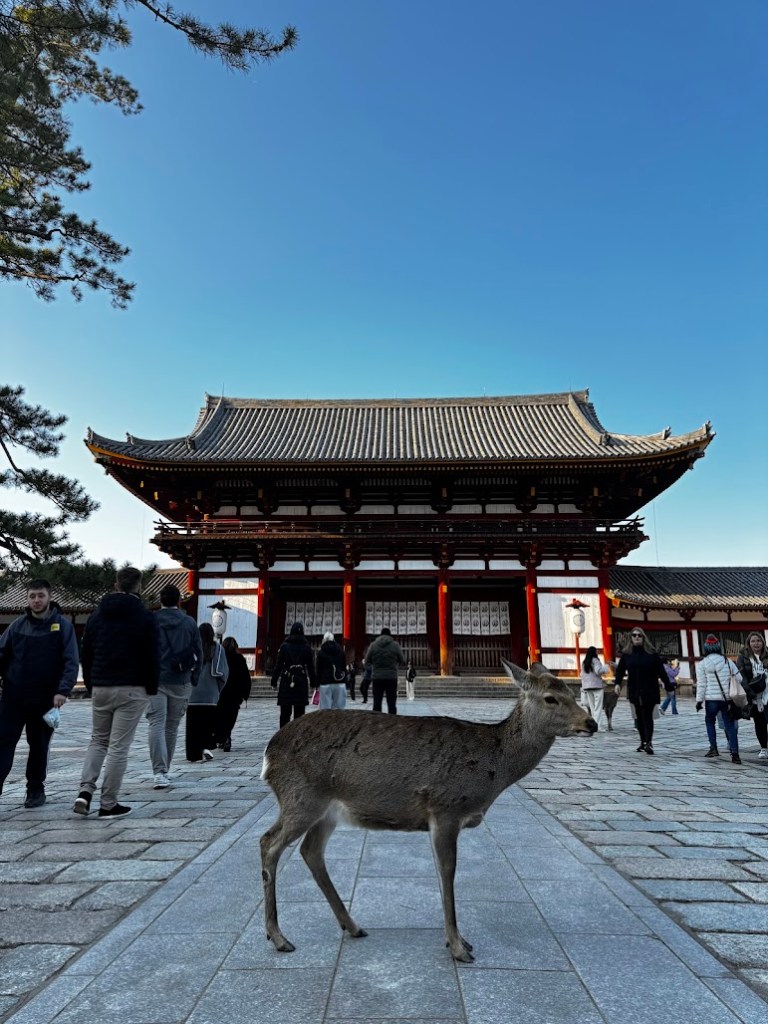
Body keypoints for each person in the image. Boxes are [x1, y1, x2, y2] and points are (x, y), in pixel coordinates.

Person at [74, 566, 160, 818]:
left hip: (101, 685)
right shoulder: (145, 617)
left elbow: (86, 652)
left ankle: (85, 791)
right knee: (118, 747)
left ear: (116, 585)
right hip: (132, 687)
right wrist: (151, 687)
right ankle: (108, 803)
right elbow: (153, 656)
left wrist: (91, 683)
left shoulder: (96, 616)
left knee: (98, 740)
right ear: (139, 586)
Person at [0, 579, 79, 809]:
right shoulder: (17, 626)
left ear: (49, 597)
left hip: (46, 698)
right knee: (3, 743)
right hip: (14, 697)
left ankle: (35, 790)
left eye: (40, 595)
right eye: (32, 596)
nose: (36, 600)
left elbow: (71, 661)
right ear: (27, 599)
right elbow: (2, 655)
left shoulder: (62, 626)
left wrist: (63, 690)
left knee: (38, 745)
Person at [146, 584, 202, 789]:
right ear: (179, 600)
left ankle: (159, 771)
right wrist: (195, 677)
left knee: (156, 723)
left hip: (155, 679)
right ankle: (165, 769)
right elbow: (199, 651)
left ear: (160, 600)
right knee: (171, 726)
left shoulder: (151, 621)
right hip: (181, 679)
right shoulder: (189, 622)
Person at [614, 627, 668, 755]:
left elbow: (661, 671)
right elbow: (620, 670)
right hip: (634, 689)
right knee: (638, 716)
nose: (637, 637)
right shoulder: (627, 654)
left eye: (639, 635)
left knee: (647, 715)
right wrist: (617, 683)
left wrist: (668, 685)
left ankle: (649, 742)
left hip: (649, 688)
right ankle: (643, 741)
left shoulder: (652, 654)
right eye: (634, 635)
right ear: (631, 638)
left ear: (643, 637)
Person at [695, 634, 742, 764]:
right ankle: (735, 754)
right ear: (718, 647)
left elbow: (701, 684)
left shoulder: (702, 664)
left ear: (706, 648)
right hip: (726, 699)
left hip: (711, 699)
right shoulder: (727, 661)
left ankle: (713, 748)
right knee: (730, 725)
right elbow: (739, 678)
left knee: (710, 722)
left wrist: (699, 701)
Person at [186, 623, 228, 761]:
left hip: (193, 693)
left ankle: (193, 753)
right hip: (210, 694)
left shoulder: (192, 648)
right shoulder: (218, 649)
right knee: (207, 725)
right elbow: (223, 674)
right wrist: (217, 689)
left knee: (192, 726)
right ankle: (205, 747)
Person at [270, 622, 316, 728]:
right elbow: (311, 667)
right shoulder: (306, 647)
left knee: (285, 715)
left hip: (287, 681)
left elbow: (278, 666)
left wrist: (274, 681)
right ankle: (297, 736)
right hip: (301, 681)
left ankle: (283, 735)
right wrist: (313, 683)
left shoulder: (284, 646)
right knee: (299, 716)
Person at [736, 631, 768, 760]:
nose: (756, 643)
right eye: (753, 641)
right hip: (755, 695)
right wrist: (749, 691)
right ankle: (764, 747)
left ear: (763, 642)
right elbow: (741, 676)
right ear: (749, 643)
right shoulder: (744, 657)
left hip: (767, 692)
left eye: (758, 640)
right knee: (760, 723)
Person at [216, 637, 252, 751]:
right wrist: (245, 693)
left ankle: (222, 737)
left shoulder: (220, 658)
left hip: (221, 692)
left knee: (220, 716)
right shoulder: (239, 659)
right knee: (230, 717)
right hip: (235, 694)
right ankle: (226, 736)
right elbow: (246, 677)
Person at [365, 627, 405, 714]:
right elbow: (402, 660)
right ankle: (392, 720)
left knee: (377, 702)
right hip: (391, 677)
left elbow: (367, 660)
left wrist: (374, 666)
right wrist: (395, 665)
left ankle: (377, 721)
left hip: (377, 677)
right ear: (390, 635)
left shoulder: (373, 645)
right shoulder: (395, 645)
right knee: (391, 703)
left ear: (380, 635)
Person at [580, 646, 609, 730]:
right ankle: (598, 726)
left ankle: (594, 726)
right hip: (597, 686)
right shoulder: (595, 660)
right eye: (596, 651)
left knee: (592, 708)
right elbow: (598, 671)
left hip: (587, 687)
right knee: (598, 708)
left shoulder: (584, 662)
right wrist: (606, 668)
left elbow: (581, 675)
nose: (597, 653)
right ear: (594, 652)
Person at [316, 632, 347, 709]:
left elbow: (318, 669)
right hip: (339, 681)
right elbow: (344, 667)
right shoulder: (341, 651)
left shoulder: (321, 653)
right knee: (339, 709)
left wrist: (317, 683)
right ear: (333, 640)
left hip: (325, 682)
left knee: (325, 709)